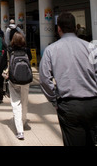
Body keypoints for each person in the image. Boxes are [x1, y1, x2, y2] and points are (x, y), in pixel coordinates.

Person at [39, 12, 97, 146]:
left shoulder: (51, 50)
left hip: (69, 105)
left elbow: (44, 79)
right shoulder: (91, 47)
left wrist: (54, 99)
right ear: (75, 28)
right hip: (93, 103)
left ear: (58, 28)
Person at [6, 32, 32, 140]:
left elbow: (7, 63)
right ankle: (24, 120)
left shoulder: (10, 50)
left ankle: (20, 131)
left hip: (14, 80)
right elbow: (29, 60)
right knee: (24, 101)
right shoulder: (26, 50)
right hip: (26, 79)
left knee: (16, 103)